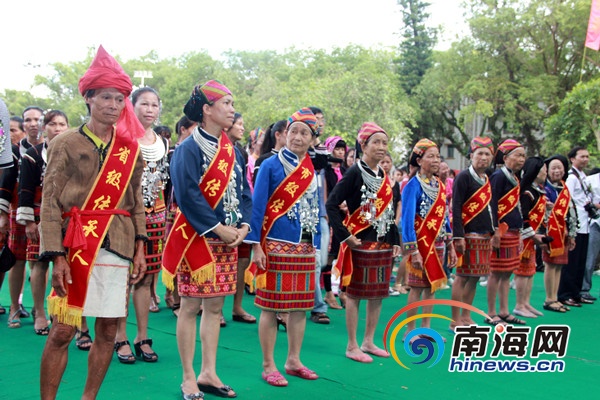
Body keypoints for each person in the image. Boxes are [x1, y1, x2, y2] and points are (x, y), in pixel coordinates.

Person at [38, 45, 147, 400]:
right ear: (88, 98)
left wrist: (141, 246)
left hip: (117, 245)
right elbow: (50, 203)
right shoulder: (65, 143)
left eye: (119, 99)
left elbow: (136, 202)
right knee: (63, 332)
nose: (114, 105)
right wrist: (55, 255)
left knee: (108, 331)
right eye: (105, 97)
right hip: (75, 245)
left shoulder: (130, 149)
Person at [162, 80, 251, 399]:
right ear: (207, 109)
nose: (232, 109)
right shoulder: (188, 147)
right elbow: (187, 195)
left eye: (232, 103)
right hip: (197, 239)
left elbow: (244, 192)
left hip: (228, 239)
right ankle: (188, 377)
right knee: (190, 306)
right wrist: (217, 228)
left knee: (215, 307)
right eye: (226, 103)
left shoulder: (234, 150)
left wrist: (243, 225)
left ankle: (208, 373)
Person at [245, 108, 321, 387]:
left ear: (312, 138)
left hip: (304, 245)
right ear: (284, 134)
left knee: (300, 307)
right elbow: (258, 205)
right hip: (275, 244)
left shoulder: (311, 168)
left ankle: (293, 360)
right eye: (293, 131)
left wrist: (318, 245)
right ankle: (268, 365)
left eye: (304, 133)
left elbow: (316, 207)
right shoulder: (271, 165)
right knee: (270, 307)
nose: (298, 137)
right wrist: (256, 246)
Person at [327, 122, 400, 363]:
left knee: (377, 294)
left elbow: (387, 210)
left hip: (382, 243)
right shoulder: (354, 173)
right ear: (363, 145)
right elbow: (331, 204)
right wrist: (345, 236)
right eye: (376, 142)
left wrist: (395, 239)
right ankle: (352, 344)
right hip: (360, 243)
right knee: (356, 294)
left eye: (384, 143)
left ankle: (369, 341)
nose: (381, 147)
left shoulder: (383, 175)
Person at [113, 87, 167, 364]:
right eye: (143, 104)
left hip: (156, 217)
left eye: (154, 105)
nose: (149, 109)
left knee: (146, 278)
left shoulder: (161, 142)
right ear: (131, 106)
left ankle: (142, 336)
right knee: (124, 278)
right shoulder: (121, 137)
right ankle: (119, 335)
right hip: (125, 217)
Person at [17, 110, 69, 336]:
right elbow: (25, 189)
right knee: (39, 264)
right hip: (38, 215)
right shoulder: (32, 154)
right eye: (52, 124)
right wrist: (28, 222)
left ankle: (61, 311)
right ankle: (39, 312)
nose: (57, 128)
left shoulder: (73, 152)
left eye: (62, 124)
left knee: (66, 263)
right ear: (44, 127)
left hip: (66, 217)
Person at [401, 139, 455, 341]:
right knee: (416, 288)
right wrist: (413, 250)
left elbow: (444, 217)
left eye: (438, 156)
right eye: (430, 156)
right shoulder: (412, 185)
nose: (436, 160)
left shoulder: (439, 185)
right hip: (421, 245)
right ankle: (410, 330)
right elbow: (407, 219)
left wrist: (450, 246)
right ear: (419, 159)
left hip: (438, 243)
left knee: (432, 287)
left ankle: (426, 328)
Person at [0, 105, 44, 329]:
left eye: (37, 119)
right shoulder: (14, 151)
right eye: (28, 120)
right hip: (19, 212)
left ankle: (39, 309)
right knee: (17, 261)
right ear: (24, 124)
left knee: (40, 261)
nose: (33, 123)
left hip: (46, 213)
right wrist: (3, 214)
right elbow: (6, 183)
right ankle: (15, 308)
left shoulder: (52, 149)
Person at [450, 137, 495, 330]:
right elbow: (457, 206)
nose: (483, 158)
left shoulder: (487, 179)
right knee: (462, 276)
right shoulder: (464, 177)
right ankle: (455, 320)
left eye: (487, 154)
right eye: (480, 154)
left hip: (484, 235)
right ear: (471, 156)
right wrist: (458, 236)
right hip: (467, 235)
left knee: (475, 277)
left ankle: (466, 315)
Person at [486, 139, 526, 326]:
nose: (522, 159)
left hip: (513, 231)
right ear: (506, 157)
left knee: (507, 272)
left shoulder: (515, 178)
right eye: (518, 155)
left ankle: (504, 310)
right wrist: (495, 231)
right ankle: (491, 312)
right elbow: (492, 204)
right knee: (495, 272)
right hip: (501, 231)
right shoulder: (498, 176)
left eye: (523, 156)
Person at [164, 115, 198, 315]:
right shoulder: (171, 153)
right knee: (175, 252)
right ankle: (174, 297)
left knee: (189, 255)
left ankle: (185, 297)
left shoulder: (197, 152)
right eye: (195, 128)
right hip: (175, 209)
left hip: (190, 210)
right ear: (184, 129)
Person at [225, 112, 256, 325]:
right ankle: (214, 308)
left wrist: (246, 220)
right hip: (219, 219)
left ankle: (237, 307)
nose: (242, 128)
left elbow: (244, 186)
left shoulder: (239, 152)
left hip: (239, 216)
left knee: (242, 260)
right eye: (239, 124)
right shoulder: (212, 148)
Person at [558, 146, 594, 307]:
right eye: (582, 157)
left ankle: (576, 292)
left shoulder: (584, 176)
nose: (585, 160)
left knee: (581, 261)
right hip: (576, 223)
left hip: (585, 223)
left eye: (587, 157)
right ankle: (565, 294)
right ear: (572, 159)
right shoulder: (571, 178)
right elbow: (567, 199)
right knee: (571, 262)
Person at [513, 157, 548, 318]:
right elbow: (524, 217)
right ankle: (519, 304)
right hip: (525, 238)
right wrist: (533, 236)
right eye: (544, 170)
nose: (545, 173)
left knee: (530, 271)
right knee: (521, 271)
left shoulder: (538, 190)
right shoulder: (527, 192)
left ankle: (526, 302)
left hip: (532, 237)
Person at [542, 155, 576, 312]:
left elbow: (570, 212)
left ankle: (555, 297)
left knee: (559, 266)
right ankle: (549, 299)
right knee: (550, 264)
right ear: (547, 170)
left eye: (560, 167)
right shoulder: (543, 188)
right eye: (553, 168)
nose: (557, 171)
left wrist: (572, 233)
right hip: (550, 231)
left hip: (563, 231)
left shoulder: (564, 189)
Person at [321, 135, 348, 309]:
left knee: (344, 255)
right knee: (329, 256)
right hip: (332, 217)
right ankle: (329, 293)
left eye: (342, 149)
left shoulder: (346, 171)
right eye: (337, 148)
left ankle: (344, 292)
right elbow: (325, 196)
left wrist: (348, 204)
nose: (339, 152)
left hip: (345, 218)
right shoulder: (325, 172)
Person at [581, 167, 600, 302]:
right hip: (595, 222)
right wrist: (595, 206)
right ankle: (584, 289)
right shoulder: (589, 180)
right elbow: (582, 200)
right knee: (589, 258)